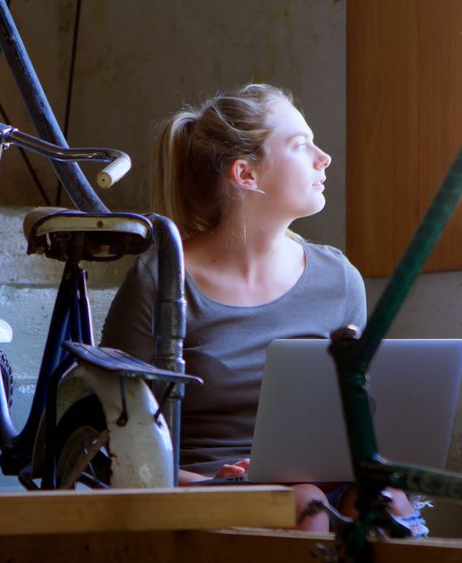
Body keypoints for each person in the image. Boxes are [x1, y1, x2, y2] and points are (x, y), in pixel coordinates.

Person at [100, 85, 424, 533]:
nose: (323, 157)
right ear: (246, 175)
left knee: (388, 502)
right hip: (202, 487)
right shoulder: (161, 282)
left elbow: (359, 417)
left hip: (319, 480)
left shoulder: (339, 278)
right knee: (301, 505)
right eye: (299, 145)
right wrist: (203, 484)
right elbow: (111, 440)